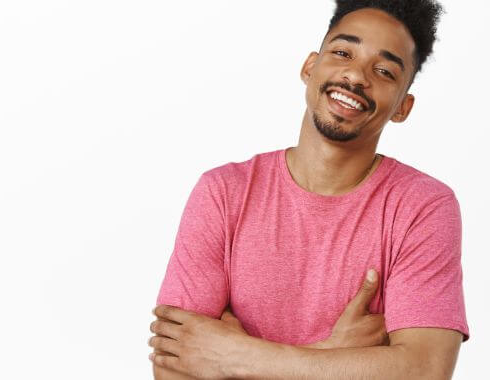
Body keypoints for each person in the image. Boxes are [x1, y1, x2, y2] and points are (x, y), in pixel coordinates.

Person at [148, 0, 469, 378]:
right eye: (342, 52)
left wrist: (238, 356)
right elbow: (174, 369)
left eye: (383, 70)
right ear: (309, 66)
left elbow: (425, 370)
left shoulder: (422, 206)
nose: (356, 75)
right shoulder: (224, 192)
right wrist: (333, 354)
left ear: (403, 107)